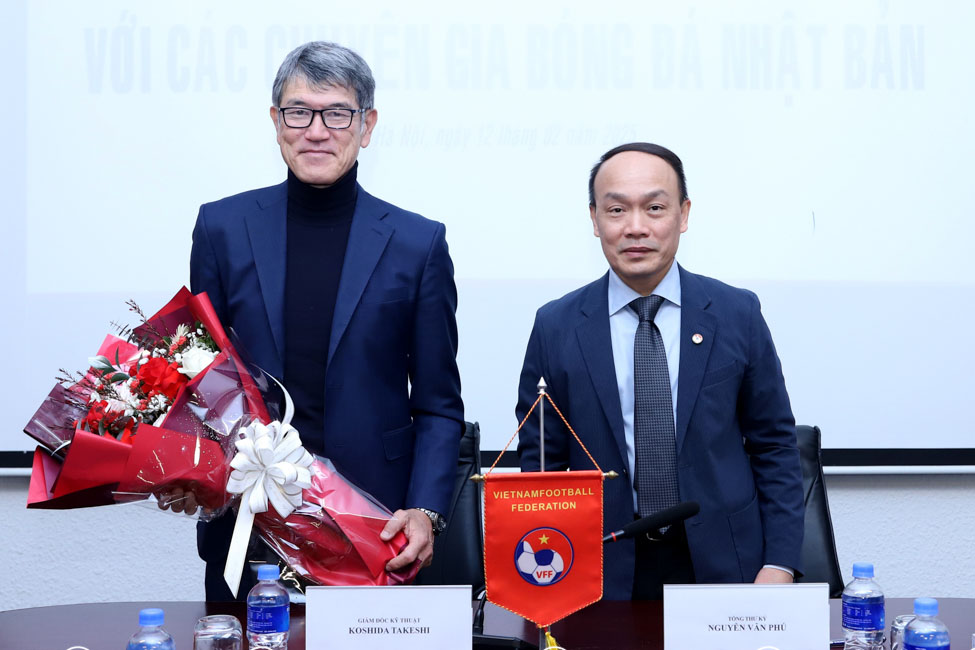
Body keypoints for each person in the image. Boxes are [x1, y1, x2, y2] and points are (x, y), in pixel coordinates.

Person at [187, 41, 464, 600]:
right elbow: (201, 378)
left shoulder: (418, 243)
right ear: (276, 121)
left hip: (373, 522)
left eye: (337, 113)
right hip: (250, 519)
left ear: (367, 125)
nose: (317, 130)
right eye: (299, 112)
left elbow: (438, 404)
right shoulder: (222, 228)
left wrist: (426, 511)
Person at [515, 142, 804, 600]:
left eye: (654, 208)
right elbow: (541, 466)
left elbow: (776, 447)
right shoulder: (557, 326)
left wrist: (780, 564)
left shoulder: (736, 314)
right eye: (616, 210)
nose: (636, 227)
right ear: (594, 219)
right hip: (602, 569)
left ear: (683, 214)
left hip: (727, 564)